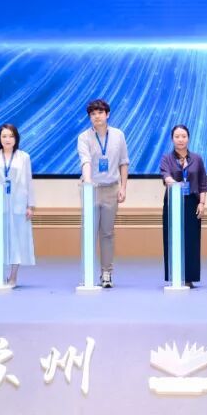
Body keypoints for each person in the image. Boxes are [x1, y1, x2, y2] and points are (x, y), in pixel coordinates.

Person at [77, 99, 130, 288]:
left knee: (107, 233)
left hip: (111, 189)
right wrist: (88, 182)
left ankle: (107, 273)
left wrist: (123, 187)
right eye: (92, 114)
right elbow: (85, 161)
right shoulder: (84, 137)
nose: (96, 116)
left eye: (100, 113)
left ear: (107, 114)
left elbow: (124, 162)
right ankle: (88, 274)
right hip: (91, 189)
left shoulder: (118, 135)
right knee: (89, 232)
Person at [159, 124, 207, 288]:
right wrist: (177, 184)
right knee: (172, 238)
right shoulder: (166, 158)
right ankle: (174, 274)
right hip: (173, 202)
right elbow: (166, 176)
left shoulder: (197, 158)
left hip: (192, 202)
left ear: (188, 138)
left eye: (183, 136)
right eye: (177, 137)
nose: (180, 140)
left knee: (191, 240)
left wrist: (202, 203)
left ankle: (189, 277)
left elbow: (203, 183)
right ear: (172, 139)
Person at [0, 124, 35, 288]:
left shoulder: (24, 157)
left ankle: (13, 277)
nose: (7, 139)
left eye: (11, 136)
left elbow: (28, 181)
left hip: (18, 203)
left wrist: (30, 205)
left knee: (17, 240)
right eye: (4, 136)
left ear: (16, 138)